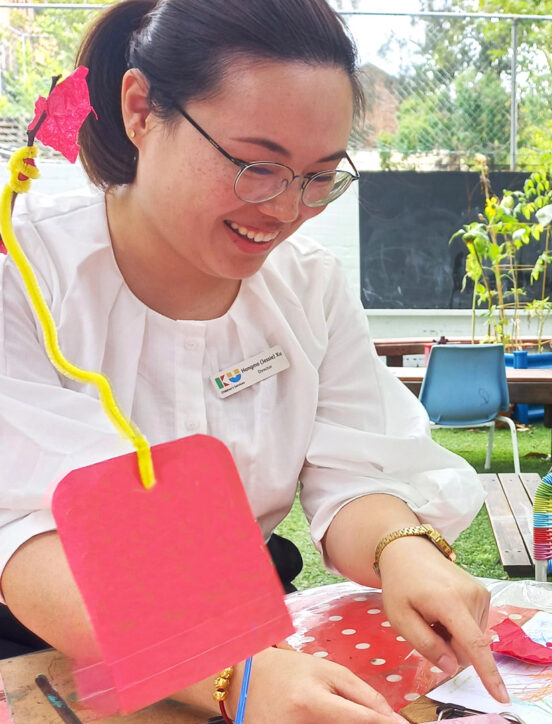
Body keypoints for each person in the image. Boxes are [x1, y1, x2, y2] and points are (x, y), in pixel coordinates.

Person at [0, 1, 508, 721]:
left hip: (255, 637)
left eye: (319, 176)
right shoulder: (24, 276)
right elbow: (27, 534)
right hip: (54, 652)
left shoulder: (308, 285)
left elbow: (353, 470)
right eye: (256, 165)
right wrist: (231, 675)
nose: (285, 208)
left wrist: (405, 551)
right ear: (141, 109)